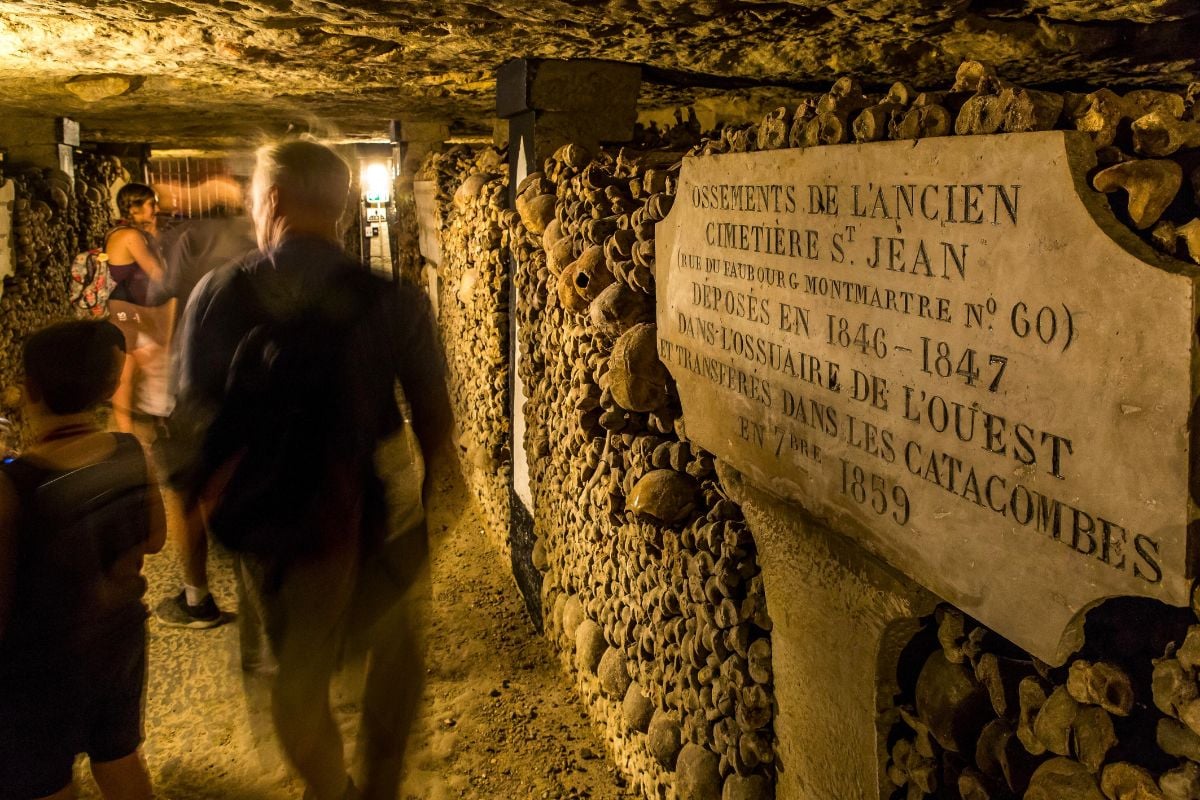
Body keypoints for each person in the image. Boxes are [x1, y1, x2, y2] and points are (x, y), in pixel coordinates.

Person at [172, 138, 451, 800]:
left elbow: (193, 428)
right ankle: (378, 787)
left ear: (270, 200)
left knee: (295, 681)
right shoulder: (395, 299)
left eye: (251, 196)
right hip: (378, 513)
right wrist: (430, 518)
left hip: (276, 527)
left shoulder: (219, 293)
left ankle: (331, 790)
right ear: (346, 206)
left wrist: (197, 541)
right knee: (394, 664)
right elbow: (437, 425)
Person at [0, 320, 167, 800]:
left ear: (29, 389)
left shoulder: (17, 486)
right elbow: (154, 539)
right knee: (118, 757)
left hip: (38, 667)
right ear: (108, 386)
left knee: (44, 780)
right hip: (118, 642)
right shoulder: (132, 451)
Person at [151, 209, 256, 629]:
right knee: (233, 488)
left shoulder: (184, 243)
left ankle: (197, 600)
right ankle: (259, 599)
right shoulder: (259, 256)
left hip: (193, 396)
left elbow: (165, 310)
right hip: (244, 395)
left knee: (184, 495)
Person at [104, 183, 175, 435]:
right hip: (128, 309)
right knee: (151, 362)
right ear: (133, 206)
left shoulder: (135, 233)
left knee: (128, 370)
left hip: (131, 307)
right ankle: (151, 420)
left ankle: (130, 430)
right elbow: (157, 272)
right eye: (150, 203)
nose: (156, 208)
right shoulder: (129, 236)